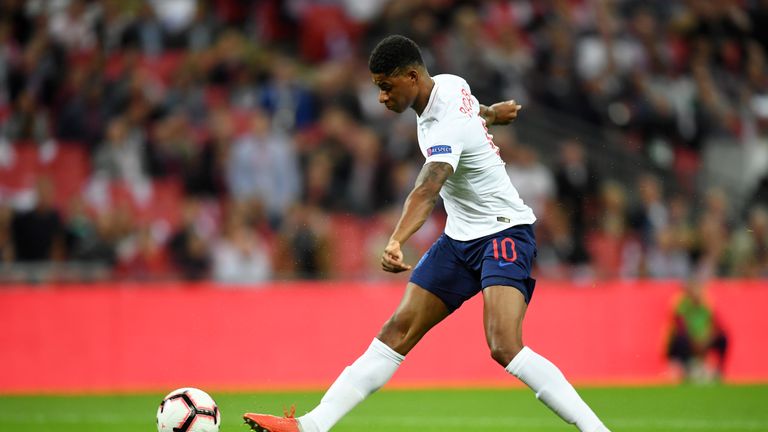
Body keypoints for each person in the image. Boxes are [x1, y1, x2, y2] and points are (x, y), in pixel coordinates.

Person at [244, 35, 610, 432]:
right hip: (460, 239)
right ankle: (311, 426)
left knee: (504, 345)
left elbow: (428, 188)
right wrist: (491, 114)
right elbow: (470, 108)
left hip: (505, 231)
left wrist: (396, 239)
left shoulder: (442, 127)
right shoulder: (450, 83)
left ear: (413, 77)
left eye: (386, 86)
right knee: (395, 331)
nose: (381, 98)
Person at [667, 277, 728, 382]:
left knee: (723, 338)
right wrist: (695, 342)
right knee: (680, 338)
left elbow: (716, 326)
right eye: (693, 290)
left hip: (704, 340)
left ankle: (719, 370)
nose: (696, 293)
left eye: (698, 290)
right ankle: (686, 368)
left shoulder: (707, 306)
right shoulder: (682, 305)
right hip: (689, 341)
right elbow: (681, 327)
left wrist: (707, 339)